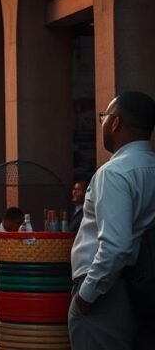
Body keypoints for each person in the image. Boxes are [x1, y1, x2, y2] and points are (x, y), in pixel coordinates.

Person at [69, 91, 155, 349]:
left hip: (105, 292)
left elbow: (115, 248)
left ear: (116, 122)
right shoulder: (148, 166)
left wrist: (86, 296)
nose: (102, 123)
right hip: (133, 286)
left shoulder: (114, 173)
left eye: (103, 117)